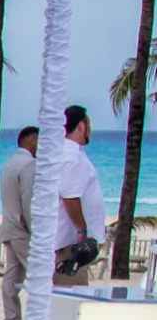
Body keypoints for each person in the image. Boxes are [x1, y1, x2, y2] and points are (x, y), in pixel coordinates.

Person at [56, 104, 105, 287]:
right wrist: (82, 230)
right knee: (71, 296)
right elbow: (70, 197)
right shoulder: (71, 156)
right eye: (89, 124)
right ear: (82, 125)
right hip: (71, 244)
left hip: (70, 242)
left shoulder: (72, 153)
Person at [0, 125, 38, 320]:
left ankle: (11, 319)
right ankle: (37, 319)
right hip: (22, 229)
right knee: (37, 274)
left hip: (9, 226)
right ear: (32, 140)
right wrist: (35, 230)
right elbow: (28, 201)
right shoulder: (29, 164)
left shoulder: (9, 164)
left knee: (12, 274)